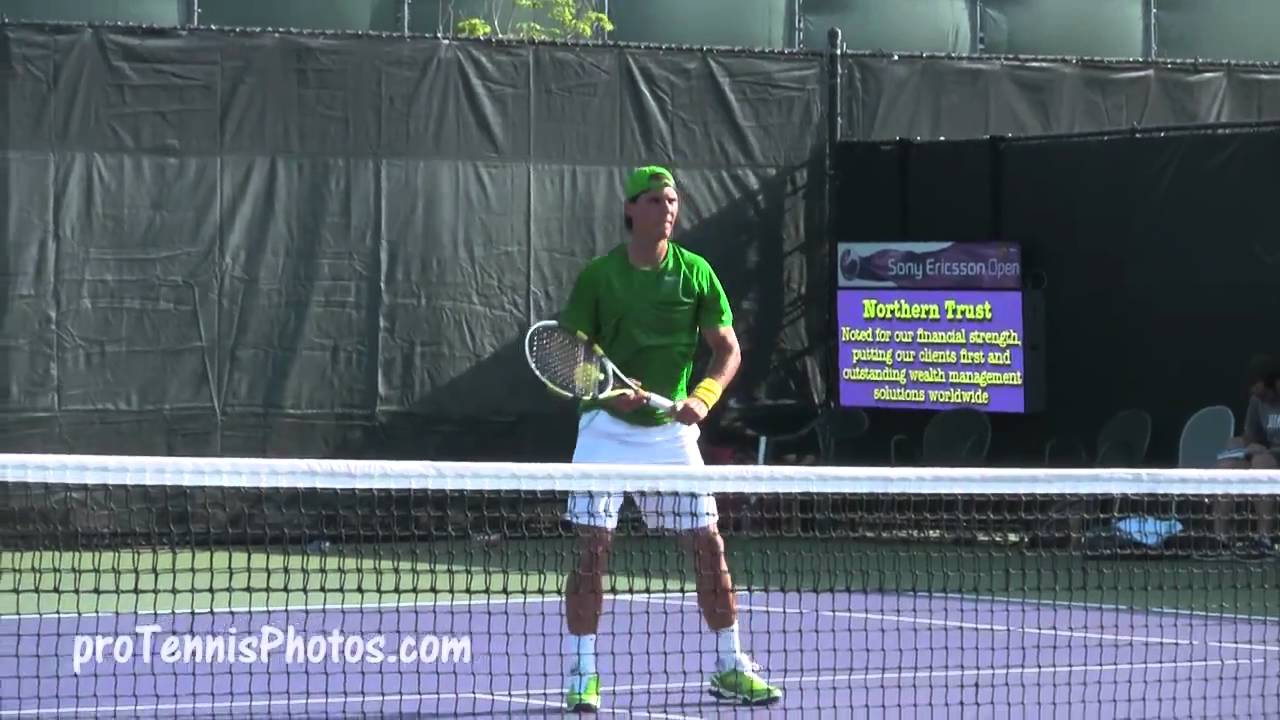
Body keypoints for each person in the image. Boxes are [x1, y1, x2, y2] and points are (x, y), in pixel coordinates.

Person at [555, 165, 783, 712]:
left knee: (708, 545)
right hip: (605, 430)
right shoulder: (600, 276)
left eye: (673, 200)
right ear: (631, 209)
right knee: (594, 547)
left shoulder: (696, 273)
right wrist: (609, 392)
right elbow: (567, 355)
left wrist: (703, 396)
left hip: (670, 437)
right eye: (656, 200)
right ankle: (582, 672)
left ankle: (729, 664)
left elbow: (727, 349)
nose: (668, 209)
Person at [1213, 354, 1280, 557]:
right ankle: (1220, 540)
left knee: (1261, 462)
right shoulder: (1257, 402)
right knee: (1227, 463)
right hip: (1266, 454)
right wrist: (1242, 445)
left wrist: (1265, 452)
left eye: (1258, 386)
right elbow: (1251, 436)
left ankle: (1264, 539)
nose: (1256, 393)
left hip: (1269, 459)